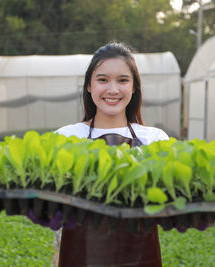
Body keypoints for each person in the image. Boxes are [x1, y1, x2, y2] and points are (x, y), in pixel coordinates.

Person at [54, 41, 169, 267]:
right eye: (103, 80)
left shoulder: (154, 140)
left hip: (140, 257)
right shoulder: (67, 137)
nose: (113, 89)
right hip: (81, 256)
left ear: (134, 87)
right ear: (89, 85)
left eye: (123, 80)